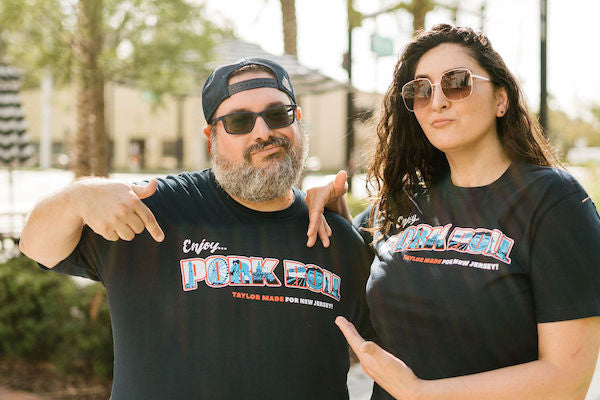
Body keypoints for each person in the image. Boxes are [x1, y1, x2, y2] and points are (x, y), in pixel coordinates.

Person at [19, 57, 372, 400]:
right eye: (239, 121)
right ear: (211, 137)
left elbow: (391, 344)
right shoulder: (157, 208)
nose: (264, 132)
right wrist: (77, 196)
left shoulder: (335, 236)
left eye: (278, 114)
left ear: (297, 121)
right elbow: (37, 246)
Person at [305, 24, 600, 399]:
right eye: (421, 90)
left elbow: (566, 380)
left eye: (456, 82)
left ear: (501, 100)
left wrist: (420, 393)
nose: (437, 101)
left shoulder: (554, 201)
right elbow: (350, 275)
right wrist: (328, 207)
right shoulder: (403, 202)